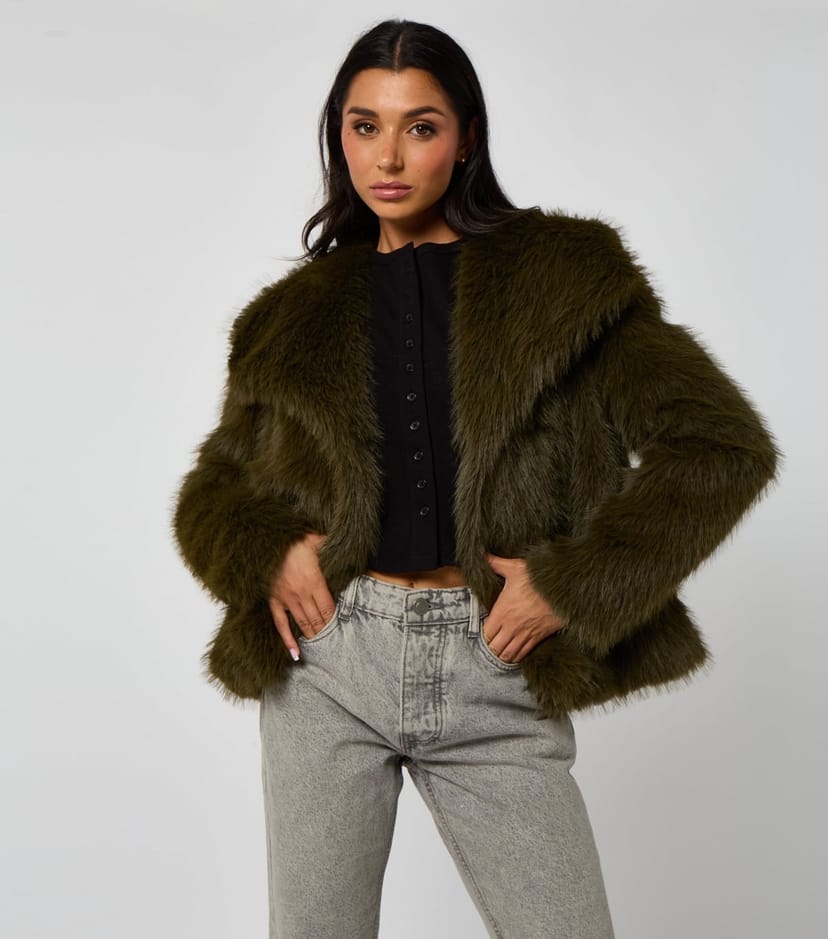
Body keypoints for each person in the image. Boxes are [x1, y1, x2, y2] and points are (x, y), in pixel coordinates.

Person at [171, 19, 780, 939]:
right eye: (364, 125)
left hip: (496, 662)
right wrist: (268, 552)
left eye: (420, 126)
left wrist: (573, 583)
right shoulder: (289, 318)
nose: (388, 156)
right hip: (330, 662)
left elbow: (722, 447)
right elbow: (213, 487)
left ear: (465, 140)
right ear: (339, 137)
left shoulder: (565, 283)